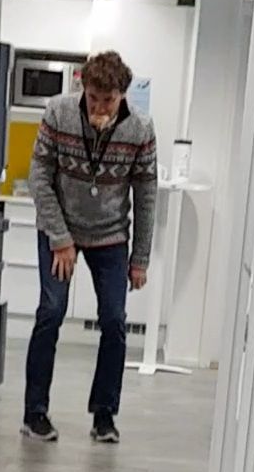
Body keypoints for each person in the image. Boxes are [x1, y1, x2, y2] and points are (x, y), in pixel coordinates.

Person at [23, 50, 157, 447]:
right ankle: (35, 413)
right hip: (60, 228)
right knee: (51, 312)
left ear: (122, 96)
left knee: (115, 320)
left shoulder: (141, 129)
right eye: (94, 98)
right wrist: (61, 239)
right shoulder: (58, 113)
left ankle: (104, 415)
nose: (99, 108)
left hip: (111, 235)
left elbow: (146, 195)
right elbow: (38, 177)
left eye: (108, 101)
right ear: (83, 88)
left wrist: (141, 259)